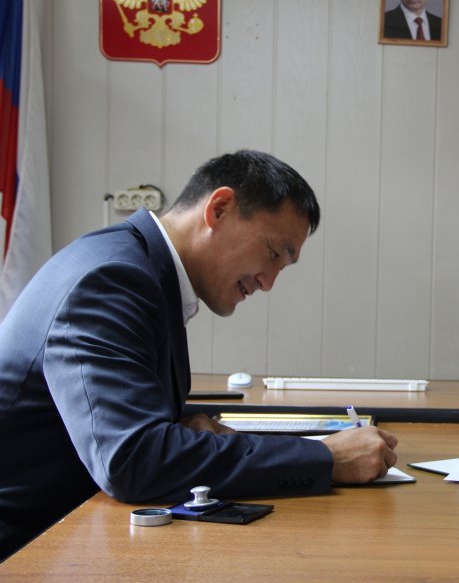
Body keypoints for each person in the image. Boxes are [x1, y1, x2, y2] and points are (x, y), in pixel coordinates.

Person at [0, 150, 398, 560]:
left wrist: (182, 427)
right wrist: (325, 457)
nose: (268, 283)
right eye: (273, 253)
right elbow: (133, 460)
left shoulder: (137, 266)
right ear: (219, 209)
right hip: (22, 550)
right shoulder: (114, 279)